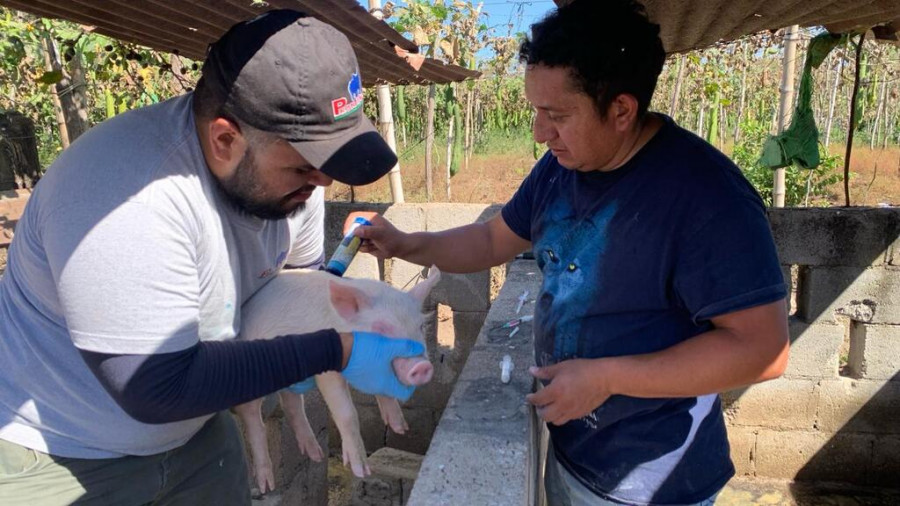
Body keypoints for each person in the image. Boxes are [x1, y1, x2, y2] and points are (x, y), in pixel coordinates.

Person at [348, 1, 790, 504]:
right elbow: (494, 239)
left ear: (621, 110)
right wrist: (406, 243)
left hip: (653, 479)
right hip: (572, 448)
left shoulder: (707, 199)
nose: (540, 133)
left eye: (557, 115)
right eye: (537, 111)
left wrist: (607, 377)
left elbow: (762, 350)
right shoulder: (563, 167)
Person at [0, 10, 424, 505]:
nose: (322, 183)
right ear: (225, 140)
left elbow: (297, 280)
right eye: (306, 168)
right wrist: (337, 350)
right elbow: (157, 387)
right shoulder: (125, 195)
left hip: (196, 434)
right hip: (61, 457)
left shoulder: (294, 186)